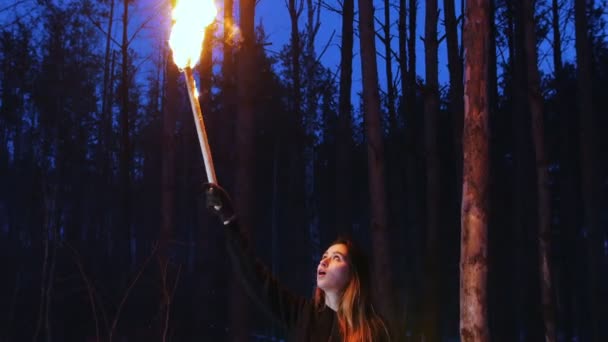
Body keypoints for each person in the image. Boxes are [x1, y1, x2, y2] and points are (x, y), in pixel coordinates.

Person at [204, 183, 391, 342]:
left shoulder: (374, 330)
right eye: (324, 256)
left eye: (336, 258)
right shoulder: (303, 315)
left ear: (354, 275)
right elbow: (258, 279)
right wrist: (229, 220)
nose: (324, 261)